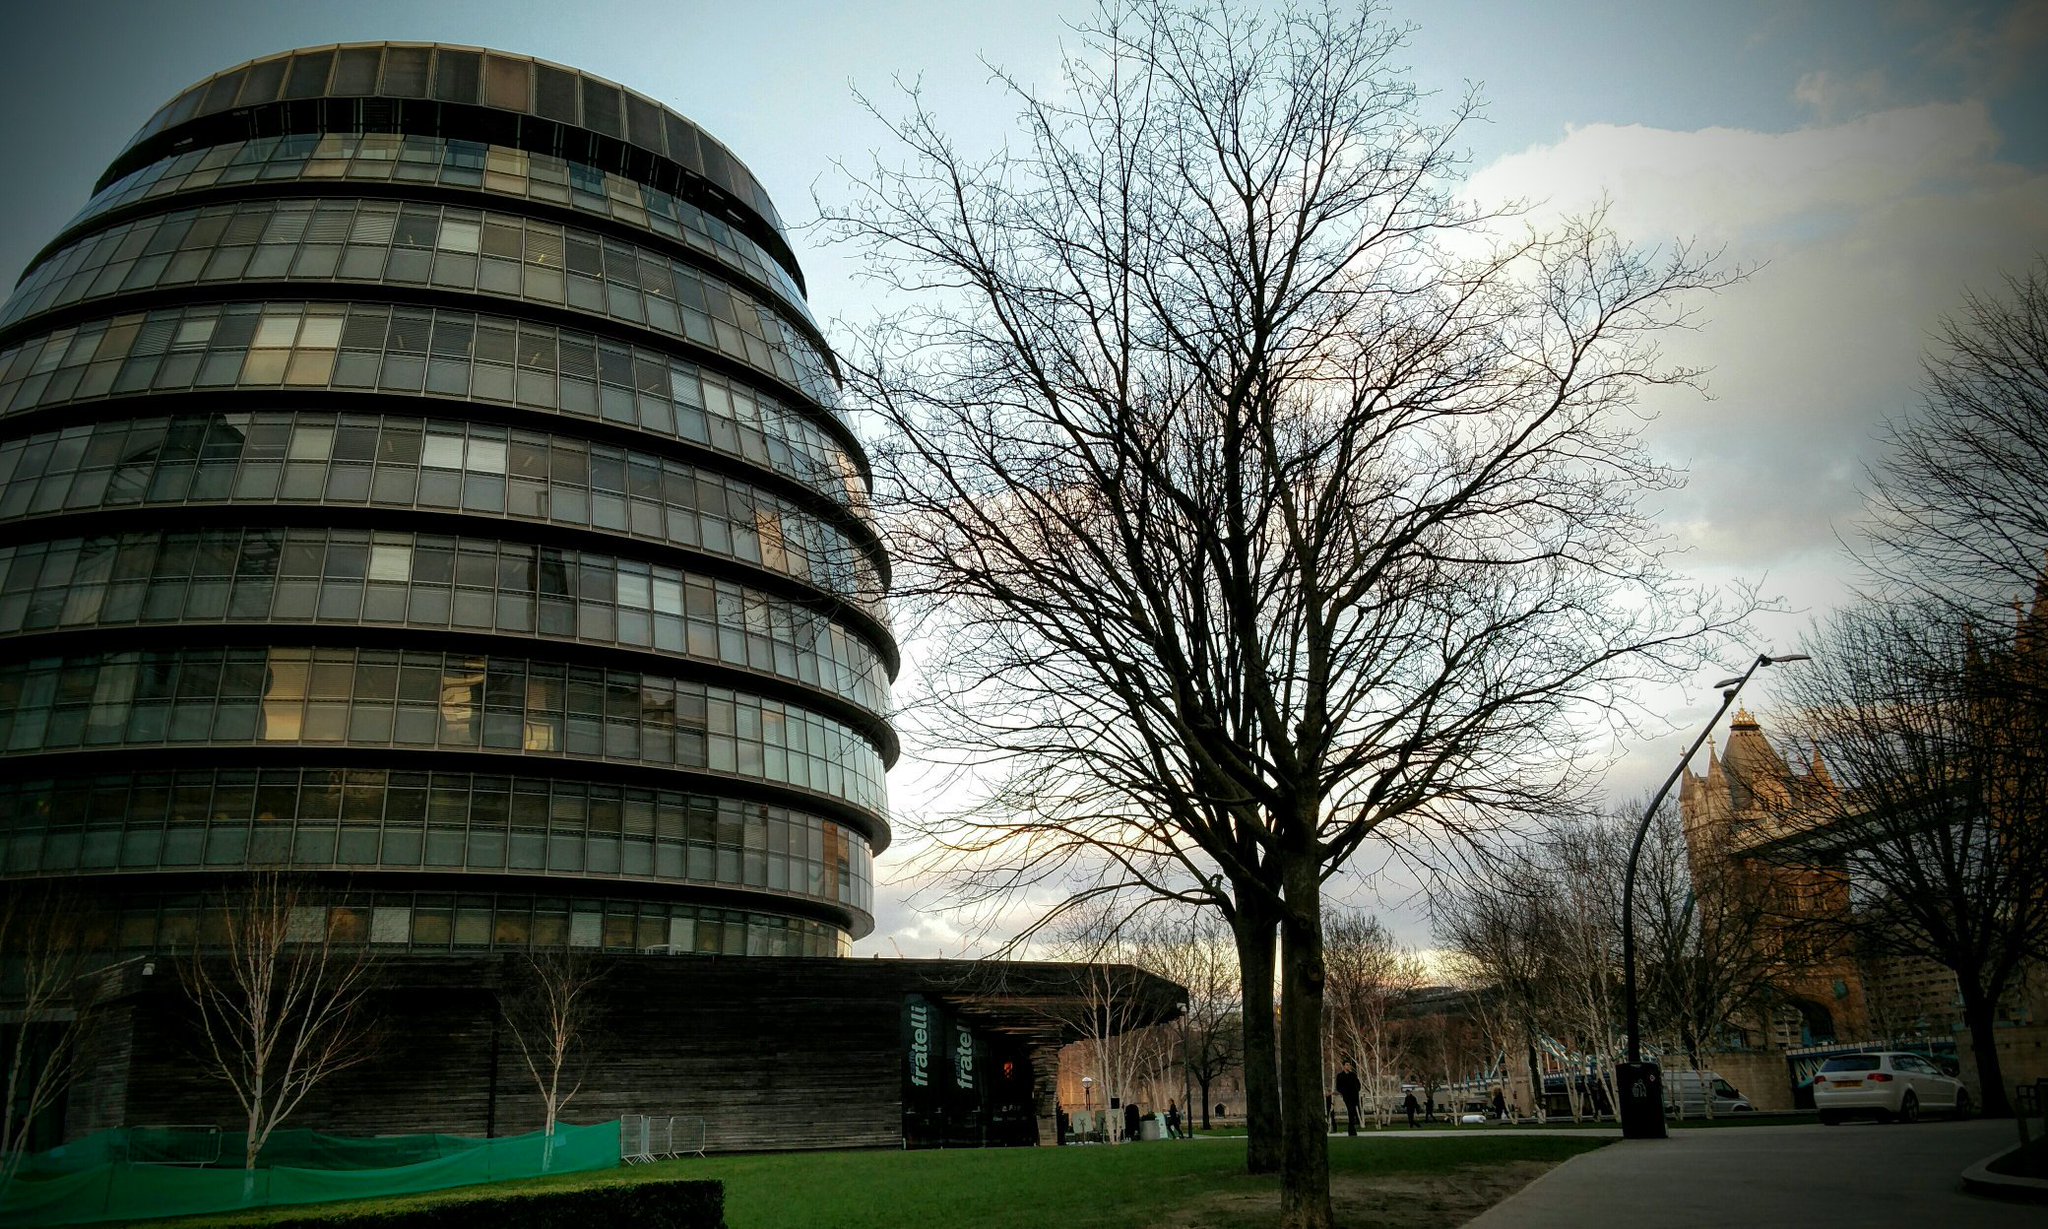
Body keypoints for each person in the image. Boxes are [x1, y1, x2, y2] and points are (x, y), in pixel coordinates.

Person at [1335, 1060, 1363, 1136]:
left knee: (1353, 1112)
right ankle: (1351, 1130)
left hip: (1354, 1096)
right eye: (1347, 1065)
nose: (1348, 1066)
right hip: (1347, 1096)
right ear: (1344, 1066)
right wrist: (1344, 1092)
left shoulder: (1353, 1075)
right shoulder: (1340, 1076)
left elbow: (1358, 1084)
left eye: (1349, 1065)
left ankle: (1352, 1130)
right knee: (1350, 1111)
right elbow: (1338, 1087)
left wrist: (1357, 1089)